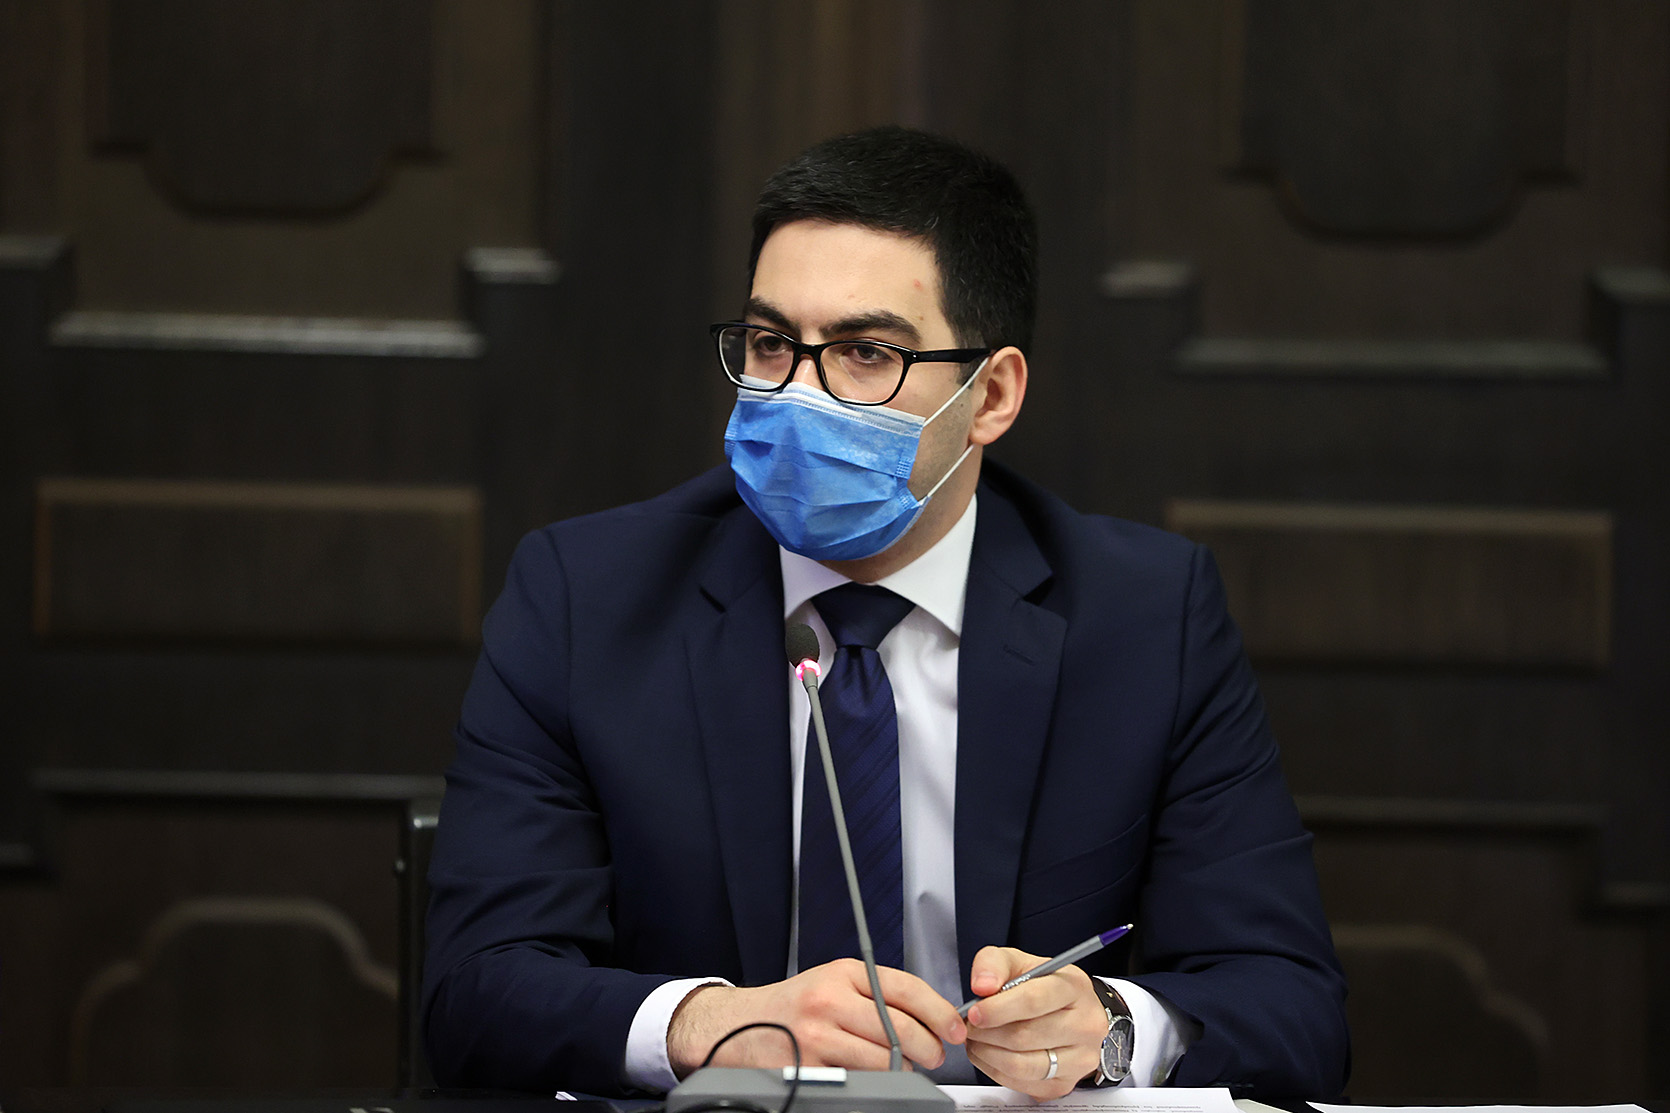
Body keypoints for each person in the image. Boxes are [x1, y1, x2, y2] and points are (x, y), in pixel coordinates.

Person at [423, 126, 1349, 1101]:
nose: (796, 395)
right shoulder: (587, 596)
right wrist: (714, 1024)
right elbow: (474, 991)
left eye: (865, 353)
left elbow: (1290, 1006)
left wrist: (1110, 1028)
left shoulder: (1146, 619)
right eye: (771, 344)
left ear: (990, 395)